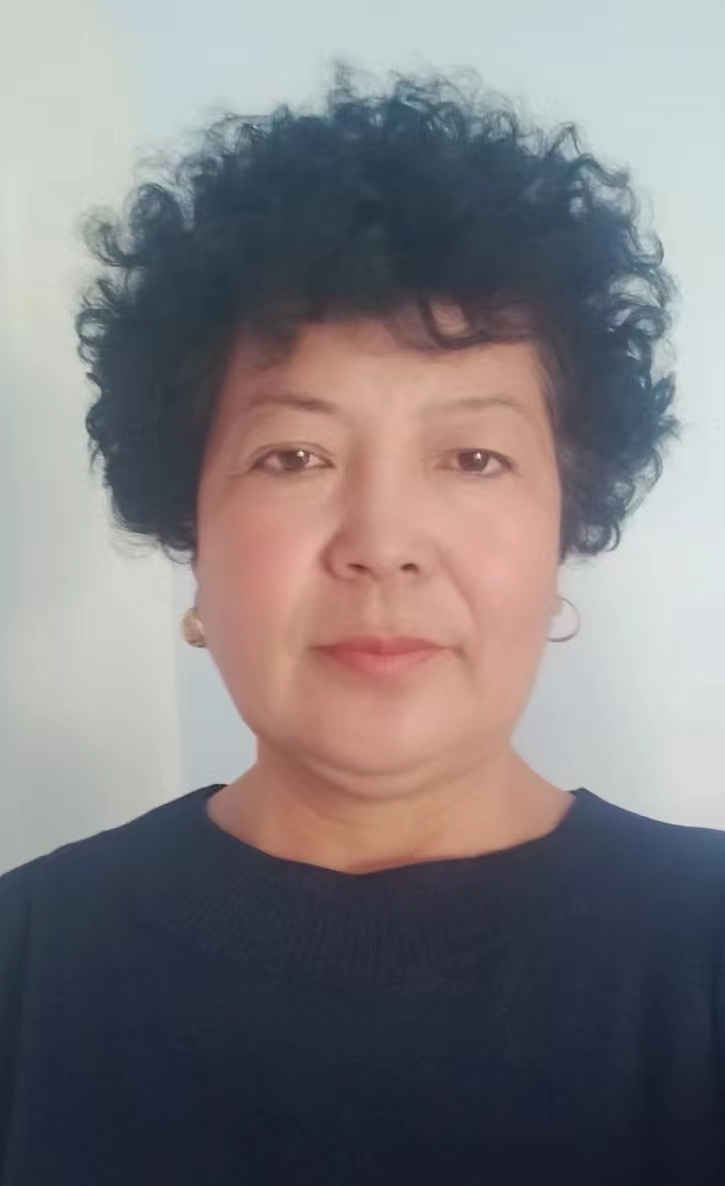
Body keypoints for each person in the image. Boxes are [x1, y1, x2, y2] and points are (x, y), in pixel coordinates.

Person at [1, 62, 723, 1185]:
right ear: (191, 526)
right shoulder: (27, 961)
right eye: (294, 455)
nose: (382, 541)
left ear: (563, 523)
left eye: (471, 457)